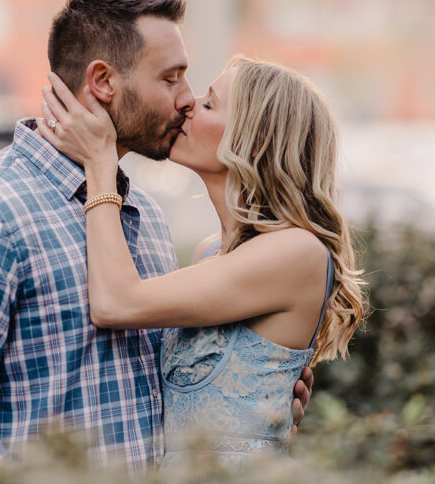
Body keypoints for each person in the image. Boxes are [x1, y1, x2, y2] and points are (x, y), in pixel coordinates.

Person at [0, 0, 312, 473]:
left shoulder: (143, 217)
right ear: (102, 82)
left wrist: (254, 396)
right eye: (170, 78)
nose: (186, 99)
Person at [36, 55, 368, 468]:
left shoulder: (297, 252)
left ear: (253, 142)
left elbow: (116, 303)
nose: (188, 104)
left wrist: (100, 165)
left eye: (209, 103)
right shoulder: (209, 253)